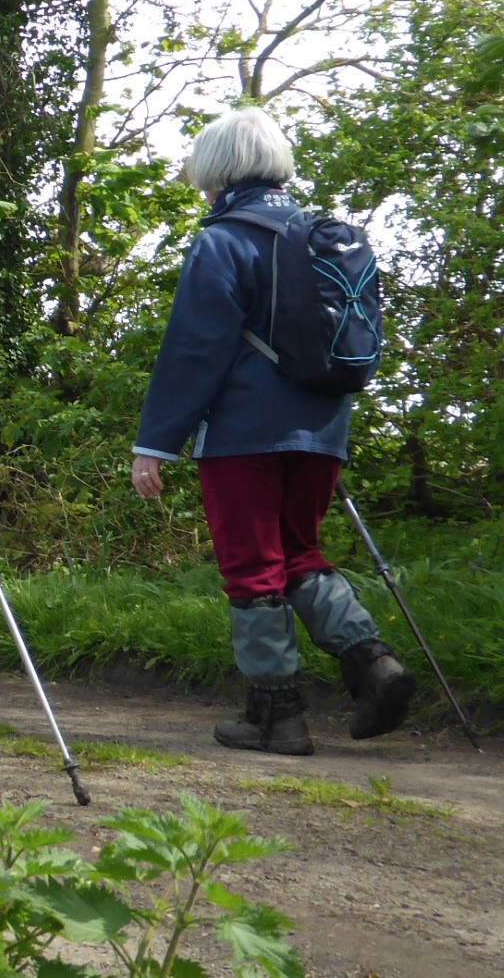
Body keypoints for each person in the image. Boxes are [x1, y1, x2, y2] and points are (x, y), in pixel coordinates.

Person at [131, 106, 414, 755]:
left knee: (254, 566)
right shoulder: (323, 235)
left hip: (244, 436)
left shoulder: (224, 239)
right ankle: (372, 663)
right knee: (300, 554)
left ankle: (275, 716)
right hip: (323, 426)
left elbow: (194, 348)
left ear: (218, 168)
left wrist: (156, 441)